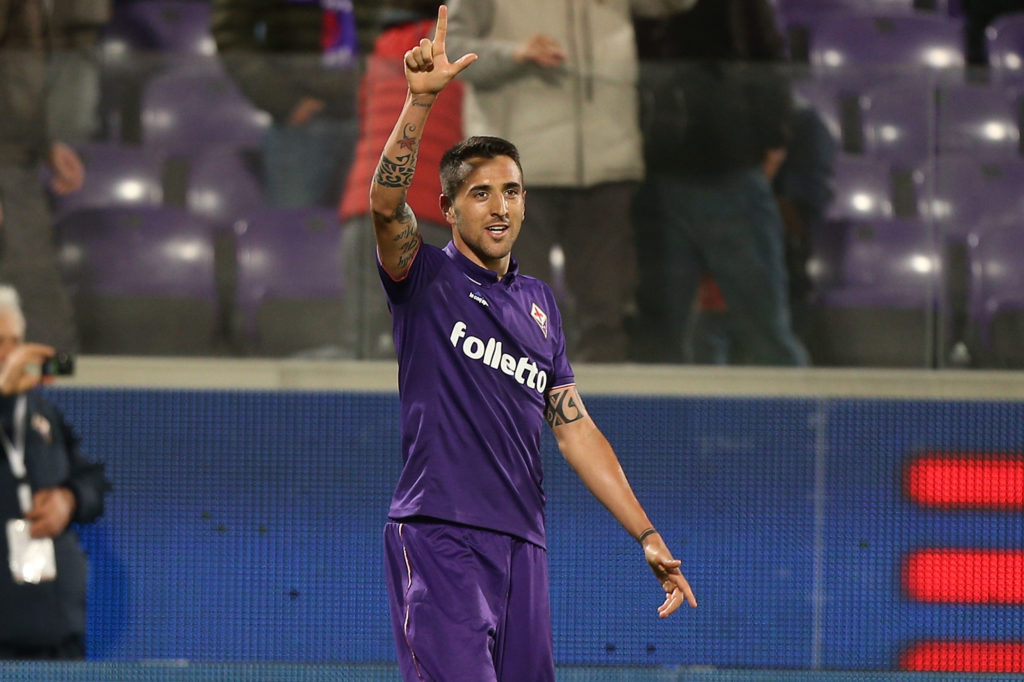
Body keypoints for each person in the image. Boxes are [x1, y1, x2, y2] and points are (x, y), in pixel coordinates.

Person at [369, 8, 696, 680]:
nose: (500, 206)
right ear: (449, 208)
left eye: (512, 191)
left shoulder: (540, 305)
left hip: (523, 543)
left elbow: (575, 431)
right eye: (481, 193)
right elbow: (384, 205)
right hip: (439, 534)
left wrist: (646, 533)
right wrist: (420, 103)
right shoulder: (424, 279)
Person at [444, 0, 698, 362]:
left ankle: (603, 400)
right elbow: (451, 50)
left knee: (606, 315)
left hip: (606, 162)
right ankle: (513, 399)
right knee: (514, 318)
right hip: (517, 169)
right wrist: (515, 54)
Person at [630, 0, 808, 366]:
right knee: (659, 334)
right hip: (655, 171)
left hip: (729, 164)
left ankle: (793, 405)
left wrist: (773, 135)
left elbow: (766, 55)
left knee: (763, 328)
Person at [337, 0, 462, 358]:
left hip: (367, 206)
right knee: (429, 343)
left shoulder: (379, 53)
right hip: (433, 211)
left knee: (363, 340)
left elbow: (364, 114)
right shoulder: (459, 58)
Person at [0, 285, 109, 660]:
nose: (10, 355)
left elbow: (93, 480)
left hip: (56, 637)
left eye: (16, 341)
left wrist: (69, 499)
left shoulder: (41, 413)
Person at [211, 0, 373, 207]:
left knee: (376, 223)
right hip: (300, 125)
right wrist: (282, 100)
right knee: (292, 223)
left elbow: (402, 18)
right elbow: (231, 30)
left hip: (374, 117)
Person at [0, 0, 84, 353]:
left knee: (44, 326)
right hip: (7, 170)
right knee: (45, 328)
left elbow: (15, 75)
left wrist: (44, 143)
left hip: (18, 159)